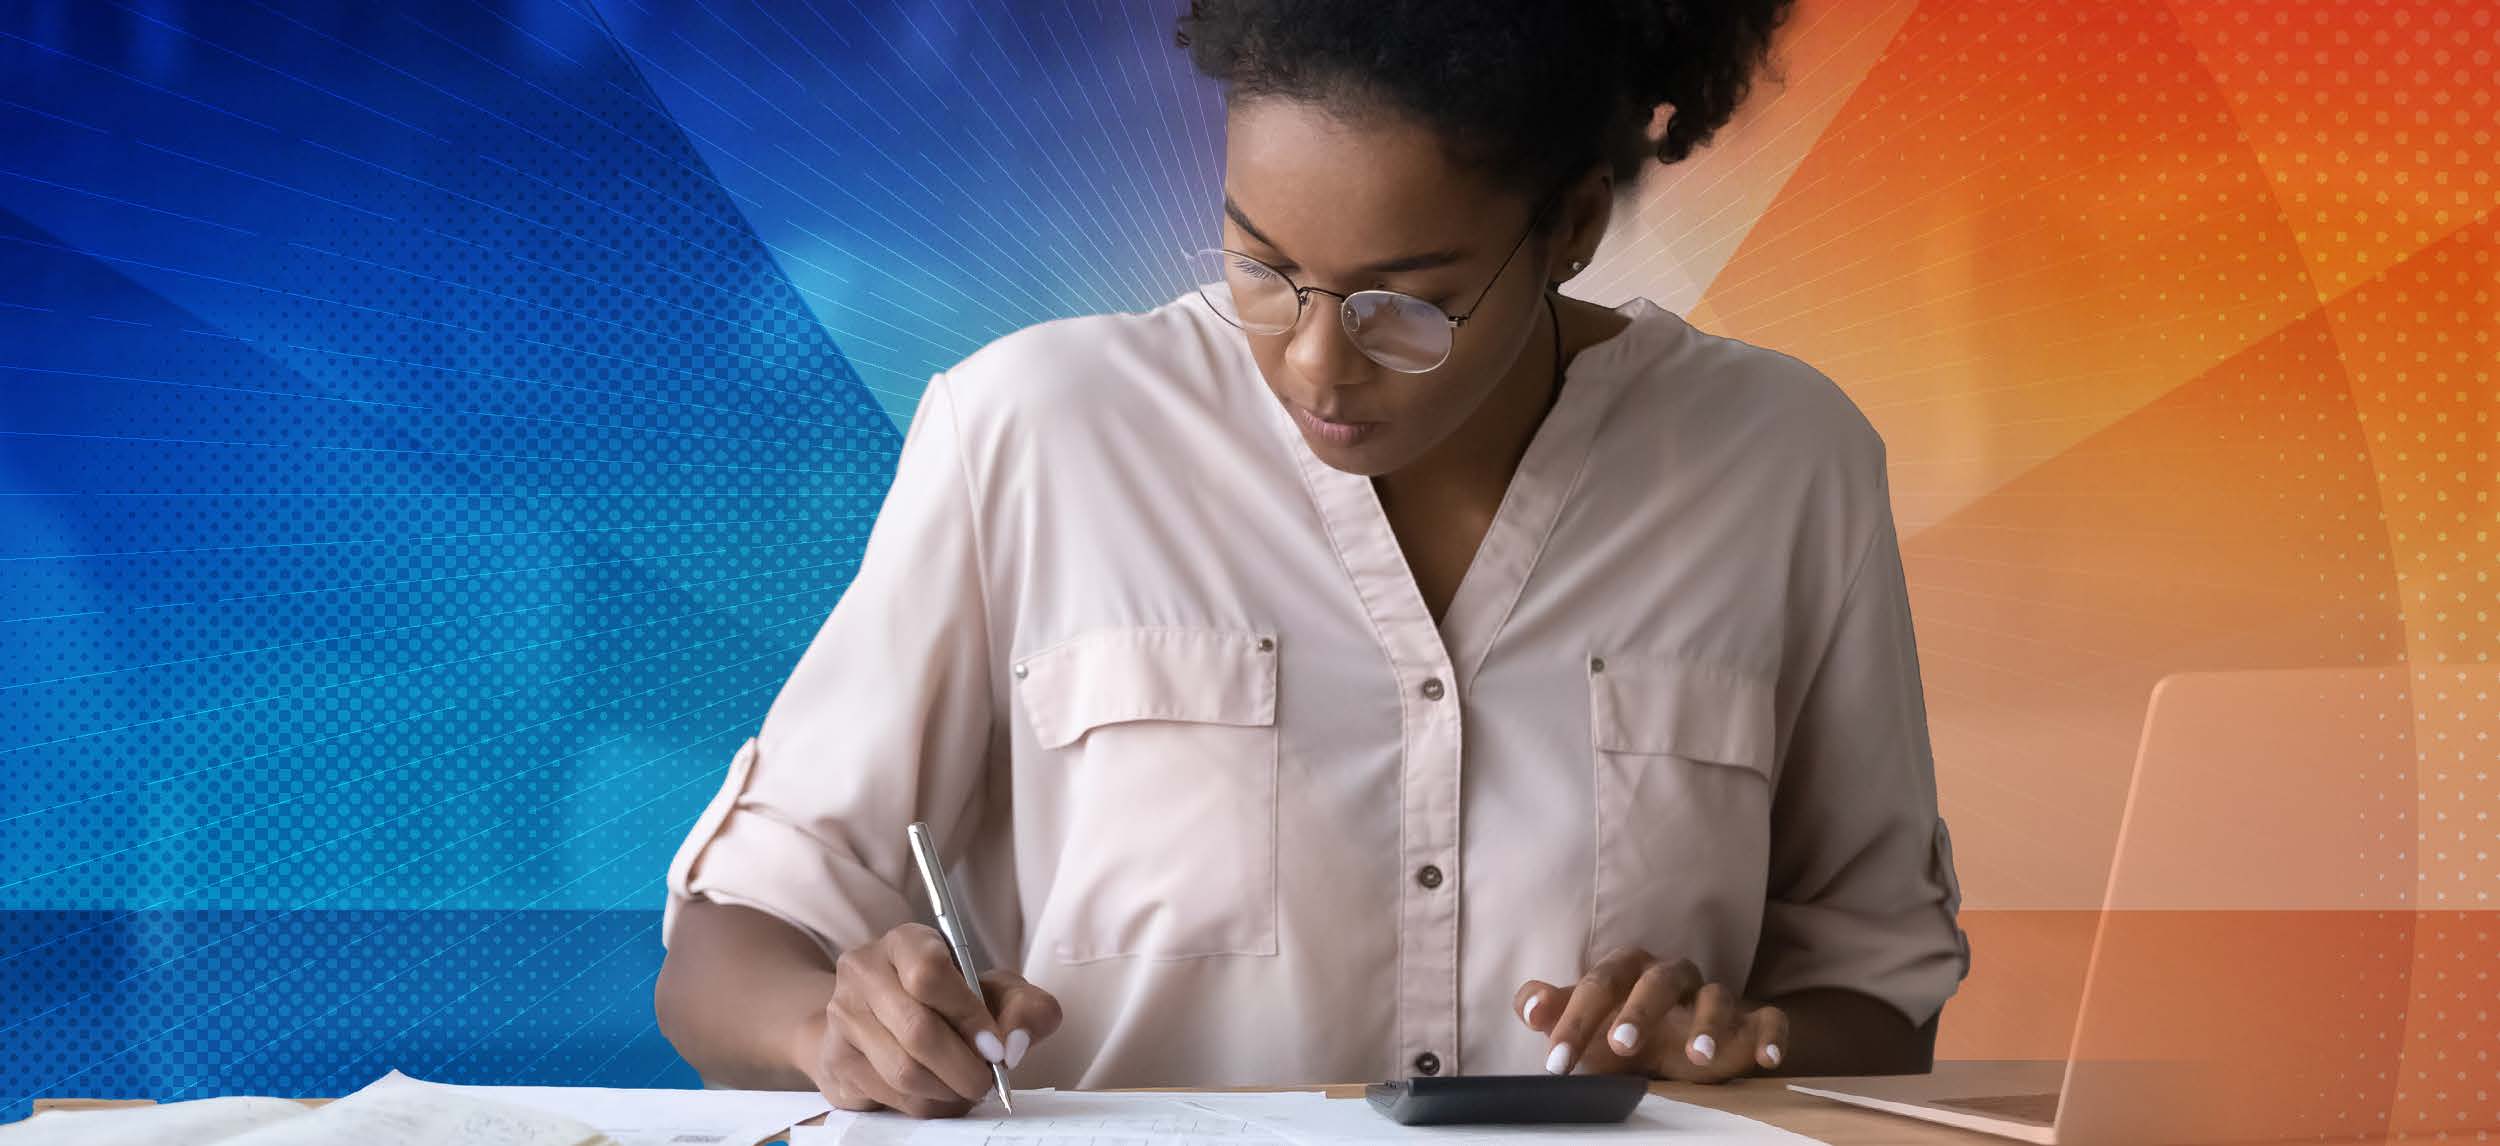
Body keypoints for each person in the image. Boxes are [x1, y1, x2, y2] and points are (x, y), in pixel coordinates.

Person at [654, 0, 1970, 1118]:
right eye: (1263, 266)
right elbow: (728, 942)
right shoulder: (1035, 434)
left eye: (1405, 301)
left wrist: (1744, 1040)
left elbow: (1880, 992)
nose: (1316, 360)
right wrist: (837, 1023)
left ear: (1568, 228)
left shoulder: (1787, 468)